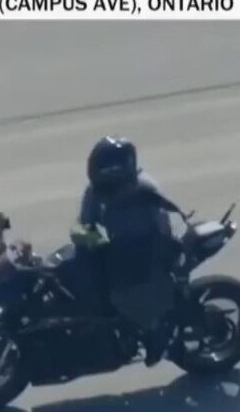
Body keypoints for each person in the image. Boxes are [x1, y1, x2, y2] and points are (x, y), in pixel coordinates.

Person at [69, 136, 184, 366]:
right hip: (116, 249)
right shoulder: (95, 192)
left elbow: (161, 234)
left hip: (146, 254)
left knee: (127, 296)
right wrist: (85, 236)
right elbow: (84, 223)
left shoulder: (144, 191)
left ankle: (154, 335)